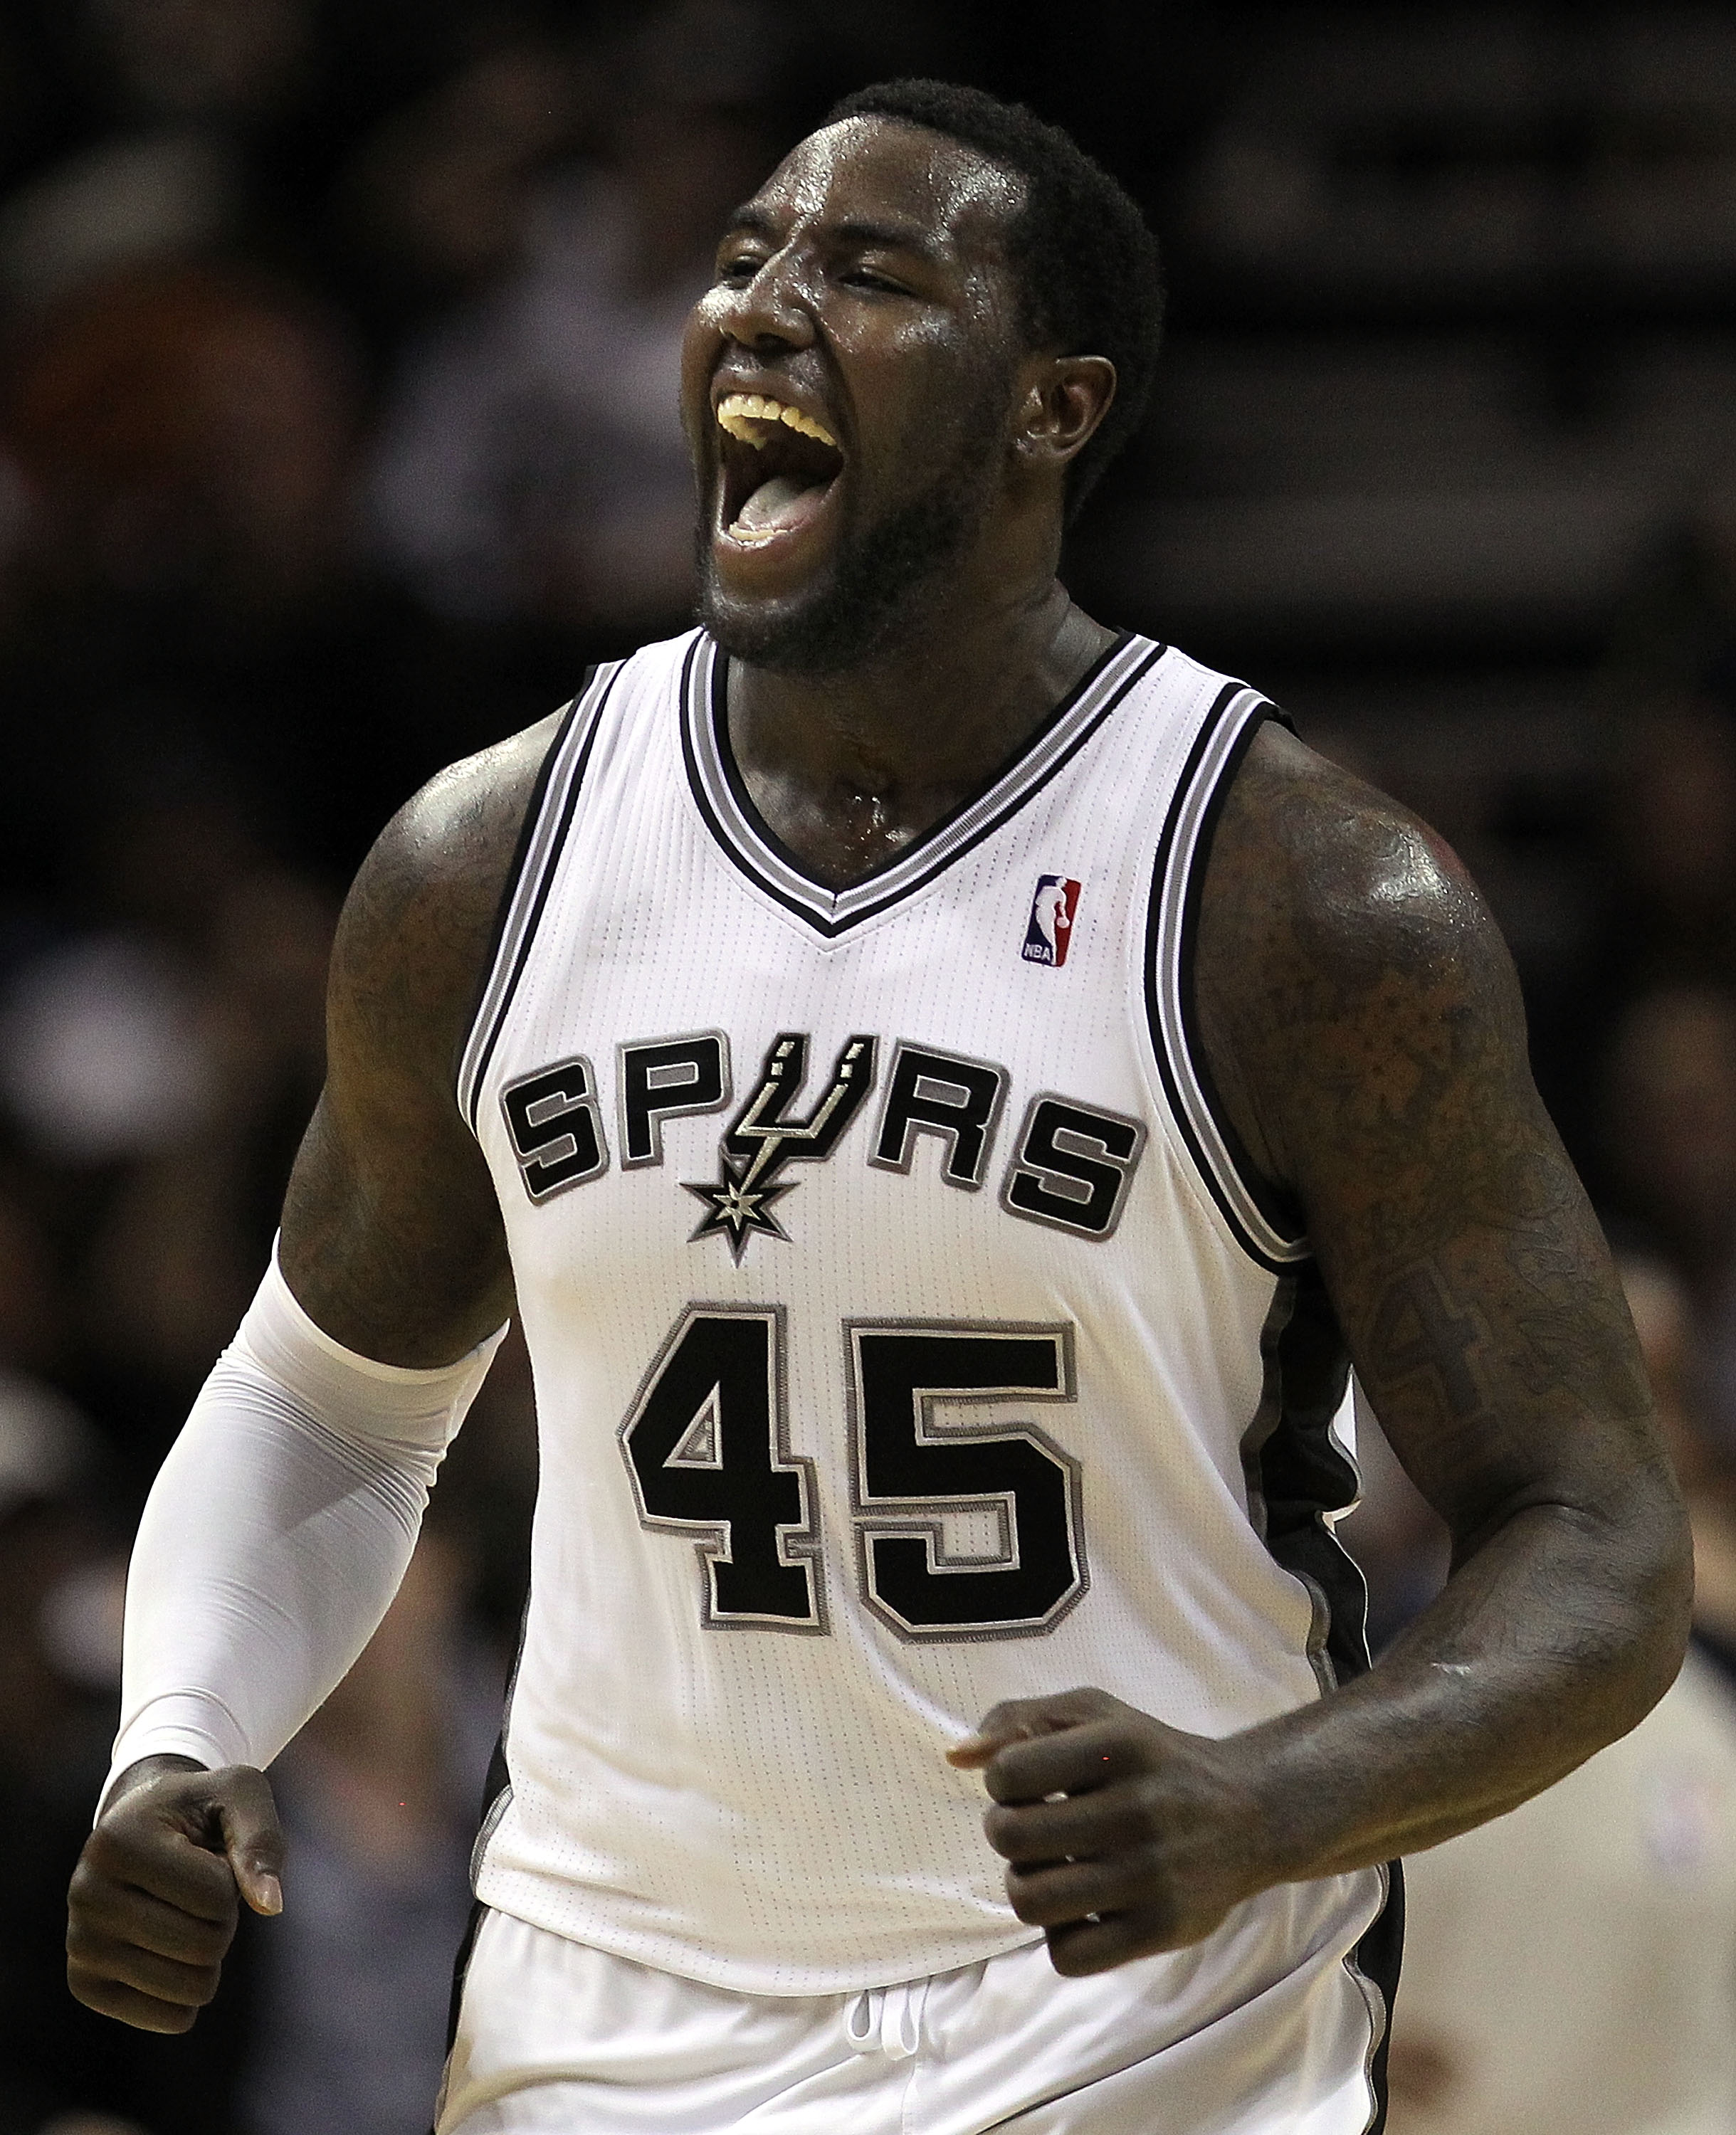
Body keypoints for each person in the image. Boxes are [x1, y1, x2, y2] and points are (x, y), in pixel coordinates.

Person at [65, 80, 1690, 2135]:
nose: (761, 306)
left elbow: (1600, 1540)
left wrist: (1274, 1800)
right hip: (612, 2018)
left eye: (869, 272)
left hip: (1143, 2026)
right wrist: (181, 1726)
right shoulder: (490, 862)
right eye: (745, 256)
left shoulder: (1294, 898)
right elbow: (326, 1402)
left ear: (1053, 408)